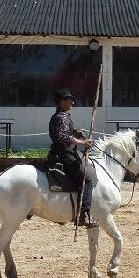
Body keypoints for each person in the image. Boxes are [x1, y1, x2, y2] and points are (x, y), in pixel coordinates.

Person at [48, 88, 97, 227]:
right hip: (65, 155)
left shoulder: (61, 115)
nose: (72, 102)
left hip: (64, 152)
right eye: (69, 99)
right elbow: (62, 137)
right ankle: (84, 215)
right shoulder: (61, 117)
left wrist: (76, 133)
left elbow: (64, 133)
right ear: (62, 102)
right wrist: (83, 142)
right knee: (87, 179)